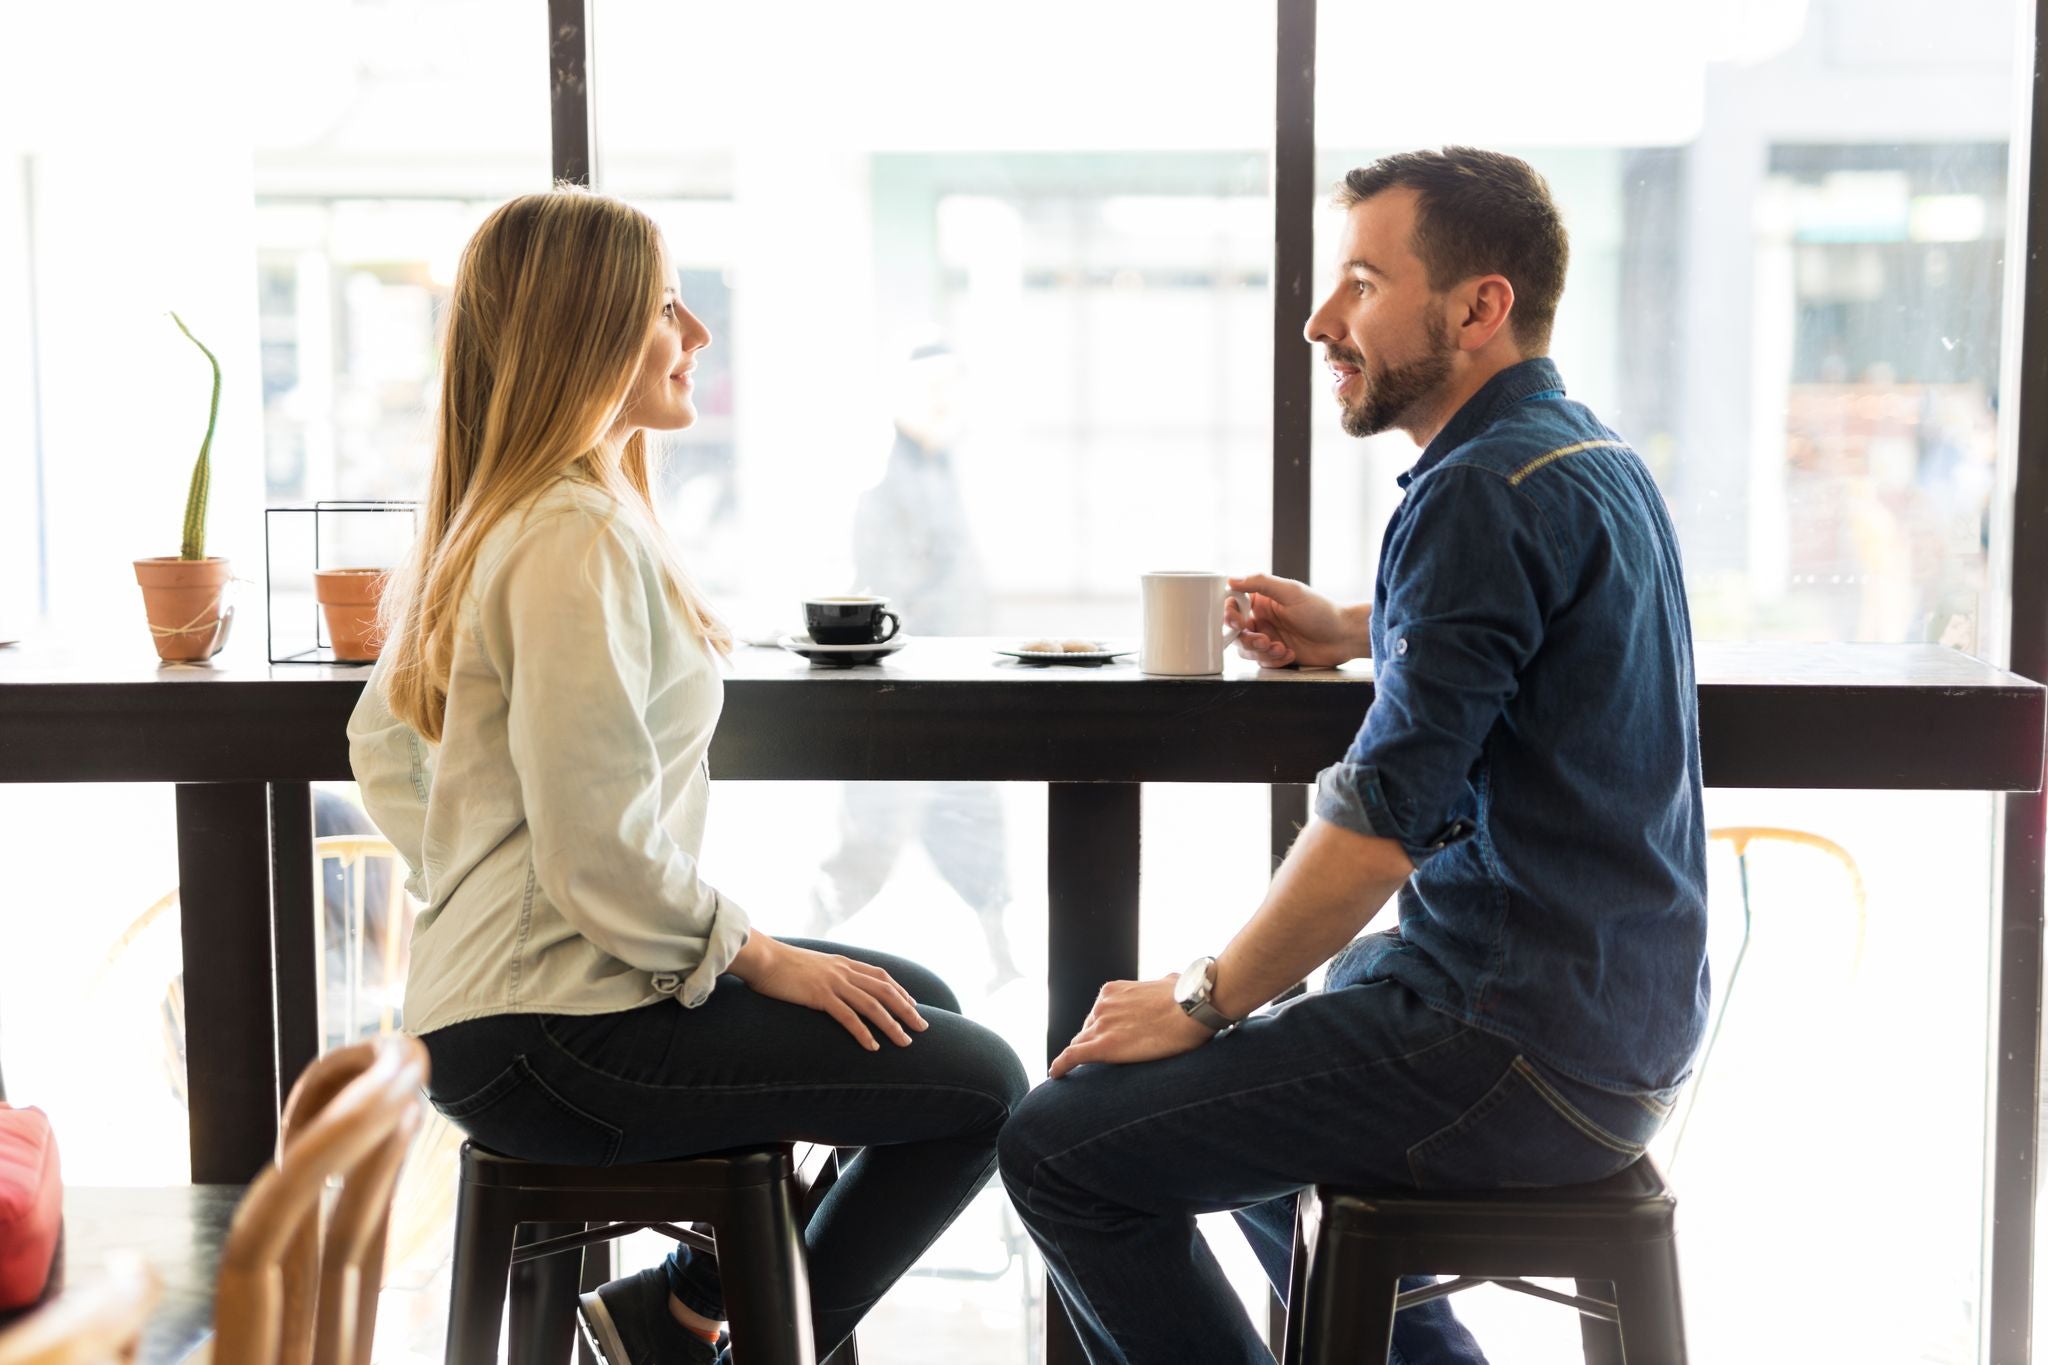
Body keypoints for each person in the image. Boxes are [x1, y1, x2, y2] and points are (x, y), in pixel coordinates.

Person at [996, 147, 1709, 1364]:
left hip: (1515, 1043)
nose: (1322, 322)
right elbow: (1504, 646)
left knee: (1058, 1148)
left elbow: (1384, 821)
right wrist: (1351, 627)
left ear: (1479, 307)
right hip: (1617, 1037)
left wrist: (1204, 994)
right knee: (1266, 1131)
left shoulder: (1475, 492)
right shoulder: (1583, 460)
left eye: (1362, 285)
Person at [345, 187, 1026, 1365]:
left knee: (918, 1002)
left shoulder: (517, 514)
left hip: (497, 1014)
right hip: (549, 1032)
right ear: (590, 330)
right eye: (668, 307)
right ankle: (711, 1329)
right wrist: (750, 950)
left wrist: (472, 882)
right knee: (983, 1088)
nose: (696, 335)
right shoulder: (572, 535)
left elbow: (381, 746)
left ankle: (685, 1305)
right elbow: (596, 854)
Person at [808, 341, 1023, 989]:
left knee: (976, 826)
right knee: (871, 841)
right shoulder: (881, 477)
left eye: (951, 387)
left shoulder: (952, 466)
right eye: (930, 389)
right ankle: (800, 942)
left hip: (958, 683)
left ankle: (1002, 959)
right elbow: (881, 589)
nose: (943, 401)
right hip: (902, 689)